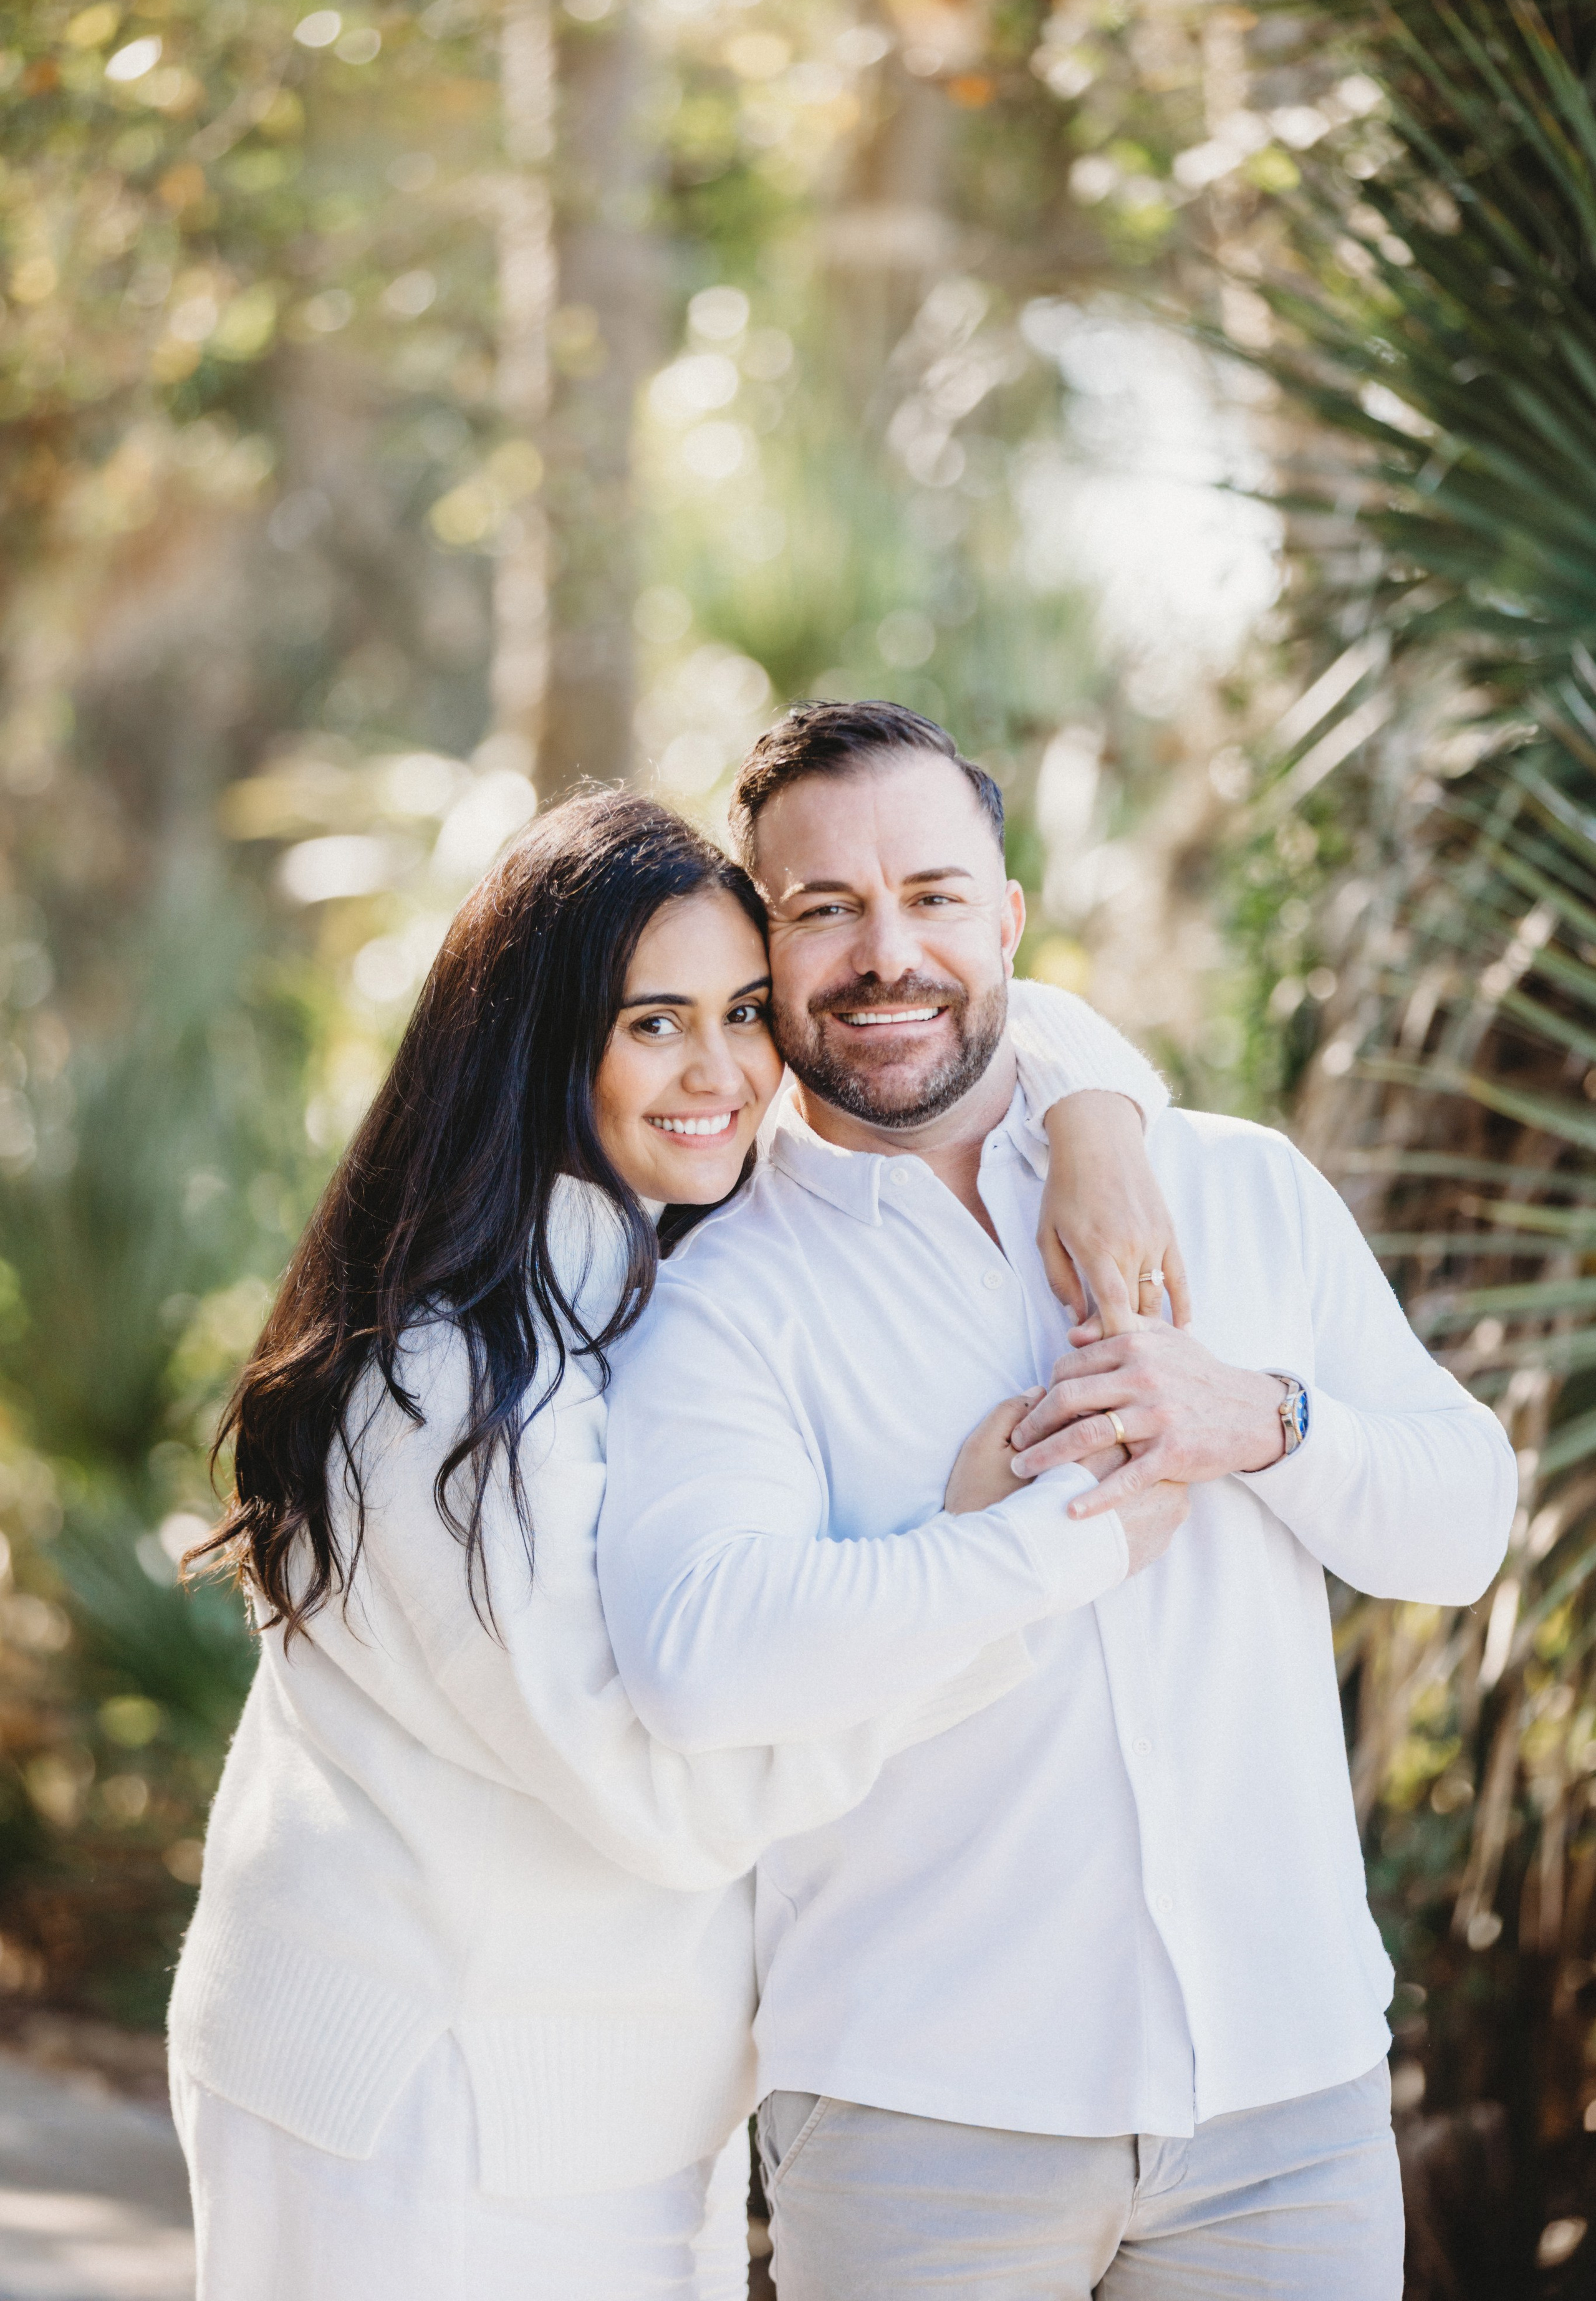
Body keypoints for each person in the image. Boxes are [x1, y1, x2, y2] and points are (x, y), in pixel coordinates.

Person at [167, 783, 1181, 2301]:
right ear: (538, 1040)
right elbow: (660, 1797)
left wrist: (1098, 1112)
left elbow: (960, 1003)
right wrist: (1015, 1560)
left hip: (623, 2111)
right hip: (423, 2114)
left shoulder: (638, 1265)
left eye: (746, 1011)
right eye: (653, 1022)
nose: (721, 1070)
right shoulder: (448, 1370)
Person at [596, 699, 1520, 2301]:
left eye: (935, 897)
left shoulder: (1229, 1184)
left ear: (1008, 918)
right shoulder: (721, 1294)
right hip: (919, 2117)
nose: (888, 952)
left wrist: (1260, 1419)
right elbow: (697, 1652)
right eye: (824, 909)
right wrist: (1005, 1543)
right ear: (766, 949)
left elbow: (1462, 1524)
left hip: (1282, 2108)